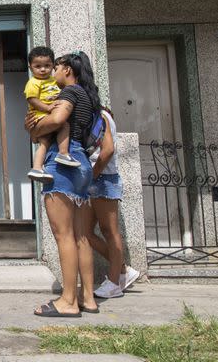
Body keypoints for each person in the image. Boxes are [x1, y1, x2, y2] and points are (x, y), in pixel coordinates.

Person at [25, 51, 100, 317]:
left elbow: (56, 120)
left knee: (64, 235)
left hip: (63, 163)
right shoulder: (87, 96)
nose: (52, 71)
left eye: (56, 67)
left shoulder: (68, 93)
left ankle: (68, 301)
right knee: (80, 236)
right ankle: (87, 298)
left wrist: (34, 127)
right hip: (81, 164)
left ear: (67, 69)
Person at [83, 107, 141, 299]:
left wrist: (92, 175)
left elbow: (107, 150)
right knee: (85, 232)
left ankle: (115, 282)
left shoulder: (101, 115)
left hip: (104, 179)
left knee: (109, 231)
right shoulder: (92, 115)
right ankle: (123, 270)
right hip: (95, 179)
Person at [25, 46, 79, 183]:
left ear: (53, 66)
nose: (43, 69)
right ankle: (63, 153)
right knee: (64, 125)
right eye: (38, 66)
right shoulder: (33, 82)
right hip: (39, 115)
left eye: (47, 66)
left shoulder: (54, 81)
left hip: (46, 115)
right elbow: (32, 99)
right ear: (30, 67)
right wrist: (48, 108)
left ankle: (37, 168)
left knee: (44, 142)